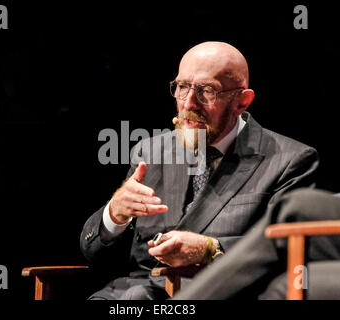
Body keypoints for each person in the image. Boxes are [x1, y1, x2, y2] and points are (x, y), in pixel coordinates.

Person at [80, 41, 319, 300]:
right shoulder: (150, 153)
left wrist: (211, 249)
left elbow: (290, 249)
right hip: (131, 294)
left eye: (206, 91)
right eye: (182, 87)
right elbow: (95, 254)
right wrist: (114, 215)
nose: (189, 104)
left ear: (242, 101)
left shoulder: (289, 160)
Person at [172, 188, 340, 300]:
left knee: (286, 285)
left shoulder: (294, 157)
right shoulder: (155, 153)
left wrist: (210, 248)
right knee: (300, 208)